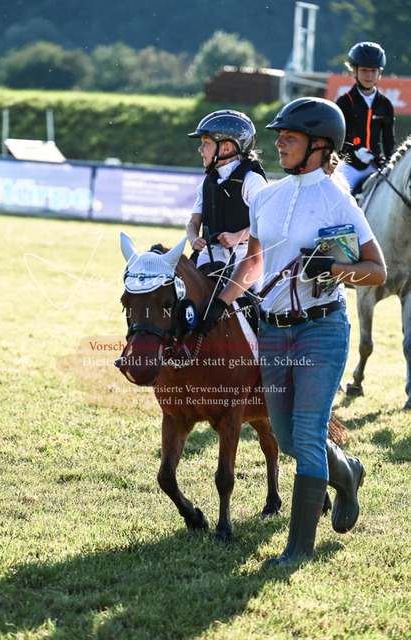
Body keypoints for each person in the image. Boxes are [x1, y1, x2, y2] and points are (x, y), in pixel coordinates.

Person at [195, 97, 387, 567]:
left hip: (322, 330)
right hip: (273, 332)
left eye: (290, 137)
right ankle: (348, 473)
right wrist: (218, 303)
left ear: (320, 146)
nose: (278, 142)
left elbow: (376, 271)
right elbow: (254, 263)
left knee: (307, 429)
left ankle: (298, 549)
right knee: (285, 436)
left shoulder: (337, 199)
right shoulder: (267, 197)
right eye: (279, 135)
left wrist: (334, 268)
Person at [186, 109, 267, 282]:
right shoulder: (207, 184)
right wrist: (193, 238)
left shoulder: (252, 181)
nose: (200, 149)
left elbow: (267, 222)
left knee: (258, 298)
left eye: (205, 143)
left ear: (227, 147)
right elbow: (193, 222)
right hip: (207, 256)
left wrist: (238, 236)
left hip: (245, 256)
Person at [336, 41, 396, 194]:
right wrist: (354, 150)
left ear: (379, 73)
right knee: (338, 192)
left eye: (373, 71)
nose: (369, 75)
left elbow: (388, 141)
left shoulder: (386, 104)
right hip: (349, 165)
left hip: (376, 164)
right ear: (354, 71)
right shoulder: (345, 102)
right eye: (364, 70)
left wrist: (392, 163)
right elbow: (339, 138)